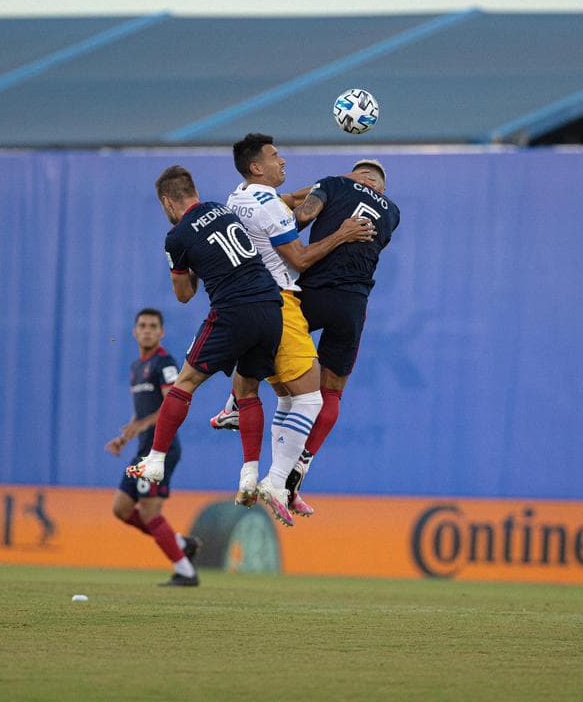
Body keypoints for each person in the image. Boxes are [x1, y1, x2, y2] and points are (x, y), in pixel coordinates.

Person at [209, 133, 376, 525]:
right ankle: (276, 479)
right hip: (280, 303)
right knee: (311, 399)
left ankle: (242, 415)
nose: (282, 161)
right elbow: (299, 258)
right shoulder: (269, 206)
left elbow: (284, 204)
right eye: (274, 156)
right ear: (257, 167)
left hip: (253, 304)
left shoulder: (240, 197)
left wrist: (325, 188)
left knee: (288, 397)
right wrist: (343, 233)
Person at [126, 165, 284, 544]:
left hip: (233, 310)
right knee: (247, 390)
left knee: (186, 382)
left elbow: (184, 295)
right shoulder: (222, 209)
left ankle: (156, 460)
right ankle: (249, 474)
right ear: (193, 191)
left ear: (167, 201)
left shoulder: (176, 235)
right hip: (270, 307)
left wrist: (187, 262)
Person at [278, 159, 401, 506]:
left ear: (356, 177)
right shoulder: (392, 212)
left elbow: (301, 216)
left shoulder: (334, 184)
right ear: (380, 186)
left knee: (267, 332)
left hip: (314, 292)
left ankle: (237, 404)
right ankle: (304, 461)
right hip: (352, 306)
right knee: (332, 392)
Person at [105, 308, 201, 587]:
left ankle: (185, 572)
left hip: (161, 450)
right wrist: (126, 435)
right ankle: (181, 543)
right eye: (142, 325)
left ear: (162, 332)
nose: (147, 330)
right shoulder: (137, 367)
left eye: (153, 326)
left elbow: (172, 406)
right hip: (142, 450)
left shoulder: (165, 363)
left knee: (149, 512)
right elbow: (145, 412)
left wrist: (142, 425)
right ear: (135, 331)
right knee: (121, 509)